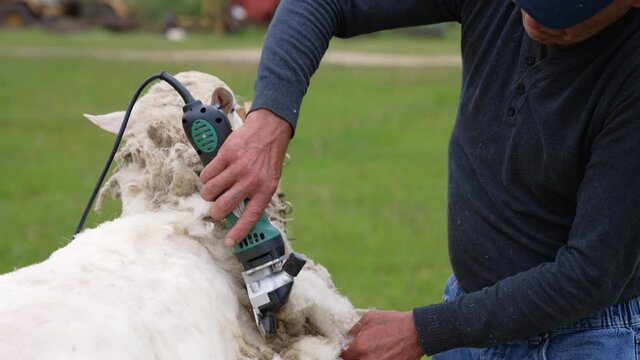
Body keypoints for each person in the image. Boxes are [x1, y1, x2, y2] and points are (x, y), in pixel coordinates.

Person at [199, 0, 640, 358]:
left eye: (564, 21)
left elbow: (590, 274)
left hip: (585, 337)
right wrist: (270, 118)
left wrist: (422, 331)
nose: (534, 23)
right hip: (469, 316)